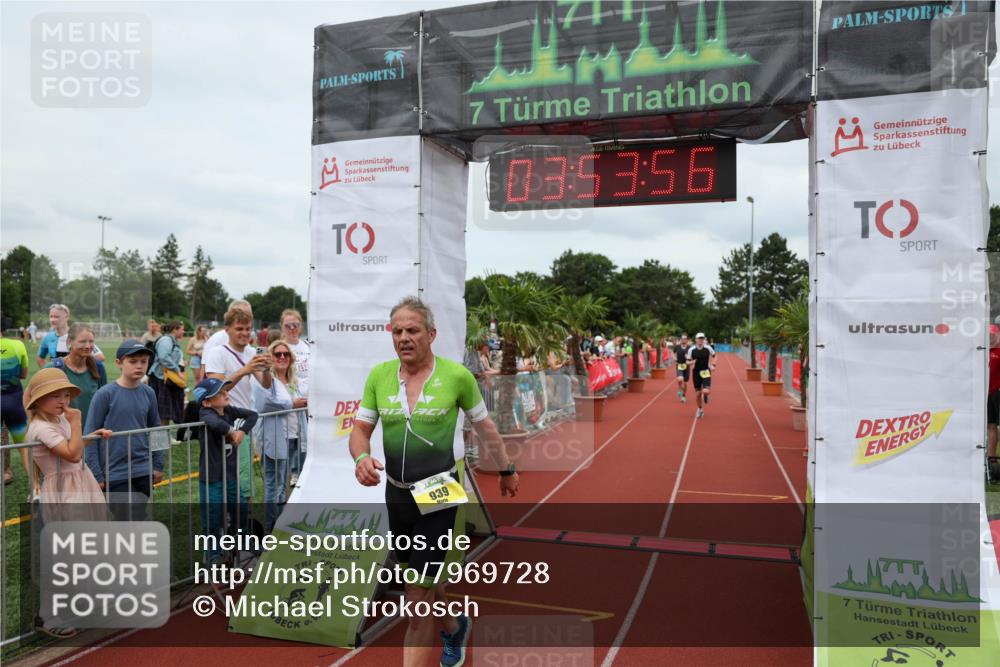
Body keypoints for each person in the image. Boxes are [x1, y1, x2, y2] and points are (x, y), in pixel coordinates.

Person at [350, 296, 518, 667]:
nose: (404, 338)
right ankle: (455, 626)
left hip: (440, 493)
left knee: (415, 601)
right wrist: (361, 457)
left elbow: (485, 426)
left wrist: (507, 469)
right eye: (397, 331)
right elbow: (360, 429)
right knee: (427, 582)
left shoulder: (456, 376)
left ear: (432, 334)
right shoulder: (379, 375)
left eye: (412, 330)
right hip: (396, 493)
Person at [23, 368, 110, 638]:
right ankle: (48, 616)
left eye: (66, 395)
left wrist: (88, 434)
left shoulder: (57, 420)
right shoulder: (40, 427)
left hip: (78, 486)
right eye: (55, 396)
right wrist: (77, 422)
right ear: (38, 401)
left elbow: (72, 445)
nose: (63, 401)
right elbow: (71, 454)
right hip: (64, 492)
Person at [84, 340, 165, 520]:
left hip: (143, 469)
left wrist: (158, 464)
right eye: (133, 361)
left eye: (143, 361)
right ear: (119, 363)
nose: (139, 366)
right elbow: (90, 436)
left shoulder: (149, 393)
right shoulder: (104, 394)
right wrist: (96, 474)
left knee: (136, 517)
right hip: (114, 472)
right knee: (131, 518)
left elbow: (156, 428)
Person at [203, 307, 272, 500]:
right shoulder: (218, 353)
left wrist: (266, 368)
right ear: (227, 330)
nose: (244, 333)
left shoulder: (251, 352)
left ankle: (242, 521)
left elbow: (265, 384)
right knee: (223, 478)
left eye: (248, 329)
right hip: (222, 422)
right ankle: (227, 520)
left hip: (244, 421)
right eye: (239, 328)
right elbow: (215, 390)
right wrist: (245, 369)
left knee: (243, 477)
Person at [193, 378, 258, 577]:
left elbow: (252, 415)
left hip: (230, 475)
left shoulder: (229, 409)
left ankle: (243, 551)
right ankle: (212, 558)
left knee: (239, 511)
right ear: (206, 402)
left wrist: (242, 431)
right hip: (211, 477)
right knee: (212, 518)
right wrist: (233, 432)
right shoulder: (205, 412)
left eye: (224, 390)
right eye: (219, 393)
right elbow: (215, 424)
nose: (225, 393)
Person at [252, 340, 307, 531]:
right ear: (271, 358)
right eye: (277, 354)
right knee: (272, 485)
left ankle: (281, 526)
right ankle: (269, 530)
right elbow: (265, 404)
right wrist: (293, 404)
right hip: (273, 437)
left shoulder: (294, 380)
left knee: (283, 485)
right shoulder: (264, 378)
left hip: (293, 436)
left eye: (286, 354)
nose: (282, 357)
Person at [46, 324, 108, 426]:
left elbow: (104, 402)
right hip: (61, 436)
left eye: (91, 341)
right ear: (69, 342)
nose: (88, 346)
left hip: (91, 434)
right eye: (83, 341)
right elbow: (30, 396)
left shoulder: (99, 368)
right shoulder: (53, 368)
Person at [279, 309, 310, 480]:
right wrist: (293, 399)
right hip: (291, 401)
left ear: (300, 326)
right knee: (291, 439)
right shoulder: (281, 348)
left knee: (305, 439)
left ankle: (302, 471)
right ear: (282, 327)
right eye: (288, 325)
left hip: (310, 402)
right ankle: (292, 472)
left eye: (295, 325)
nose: (292, 328)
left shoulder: (307, 345)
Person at [1, 329, 30, 485]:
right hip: (14, 402)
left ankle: (5, 472)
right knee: (25, 445)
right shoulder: (17, 345)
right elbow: (24, 374)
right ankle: (37, 484)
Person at [37, 304, 106, 365]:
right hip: (59, 378)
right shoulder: (48, 337)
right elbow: (40, 358)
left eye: (56, 317)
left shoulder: (77, 334)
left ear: (67, 317)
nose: (52, 320)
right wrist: (49, 372)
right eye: (51, 317)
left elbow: (100, 357)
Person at [149, 320, 186, 426]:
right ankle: (160, 436)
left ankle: (164, 433)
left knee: (166, 411)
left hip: (166, 379)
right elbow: (163, 357)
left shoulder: (172, 340)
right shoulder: (166, 340)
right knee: (162, 411)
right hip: (160, 378)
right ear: (175, 329)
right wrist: (177, 370)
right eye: (182, 329)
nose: (183, 332)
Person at [687, 333, 716, 419]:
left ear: (704, 339)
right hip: (696, 373)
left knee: (705, 391)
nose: (701, 340)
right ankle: (700, 410)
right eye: (699, 338)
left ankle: (706, 394)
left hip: (706, 371)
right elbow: (688, 362)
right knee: (698, 394)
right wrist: (692, 362)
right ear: (696, 339)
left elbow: (714, 356)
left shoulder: (708, 348)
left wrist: (713, 365)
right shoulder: (691, 350)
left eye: (702, 338)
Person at [988, 324, 1000, 483]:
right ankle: (992, 463)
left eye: (993, 335)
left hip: (998, 392)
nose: (990, 338)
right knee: (990, 426)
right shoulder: (982, 352)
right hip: (987, 393)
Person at [674, 334, 692, 403]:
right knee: (680, 379)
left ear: (687, 340)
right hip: (679, 365)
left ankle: (684, 396)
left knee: (685, 383)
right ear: (681, 340)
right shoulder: (677, 347)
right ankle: (679, 389)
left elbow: (692, 357)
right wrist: (675, 358)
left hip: (686, 367)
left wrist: (689, 358)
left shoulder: (690, 348)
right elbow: (673, 353)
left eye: (685, 339)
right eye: (682, 339)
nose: (683, 340)